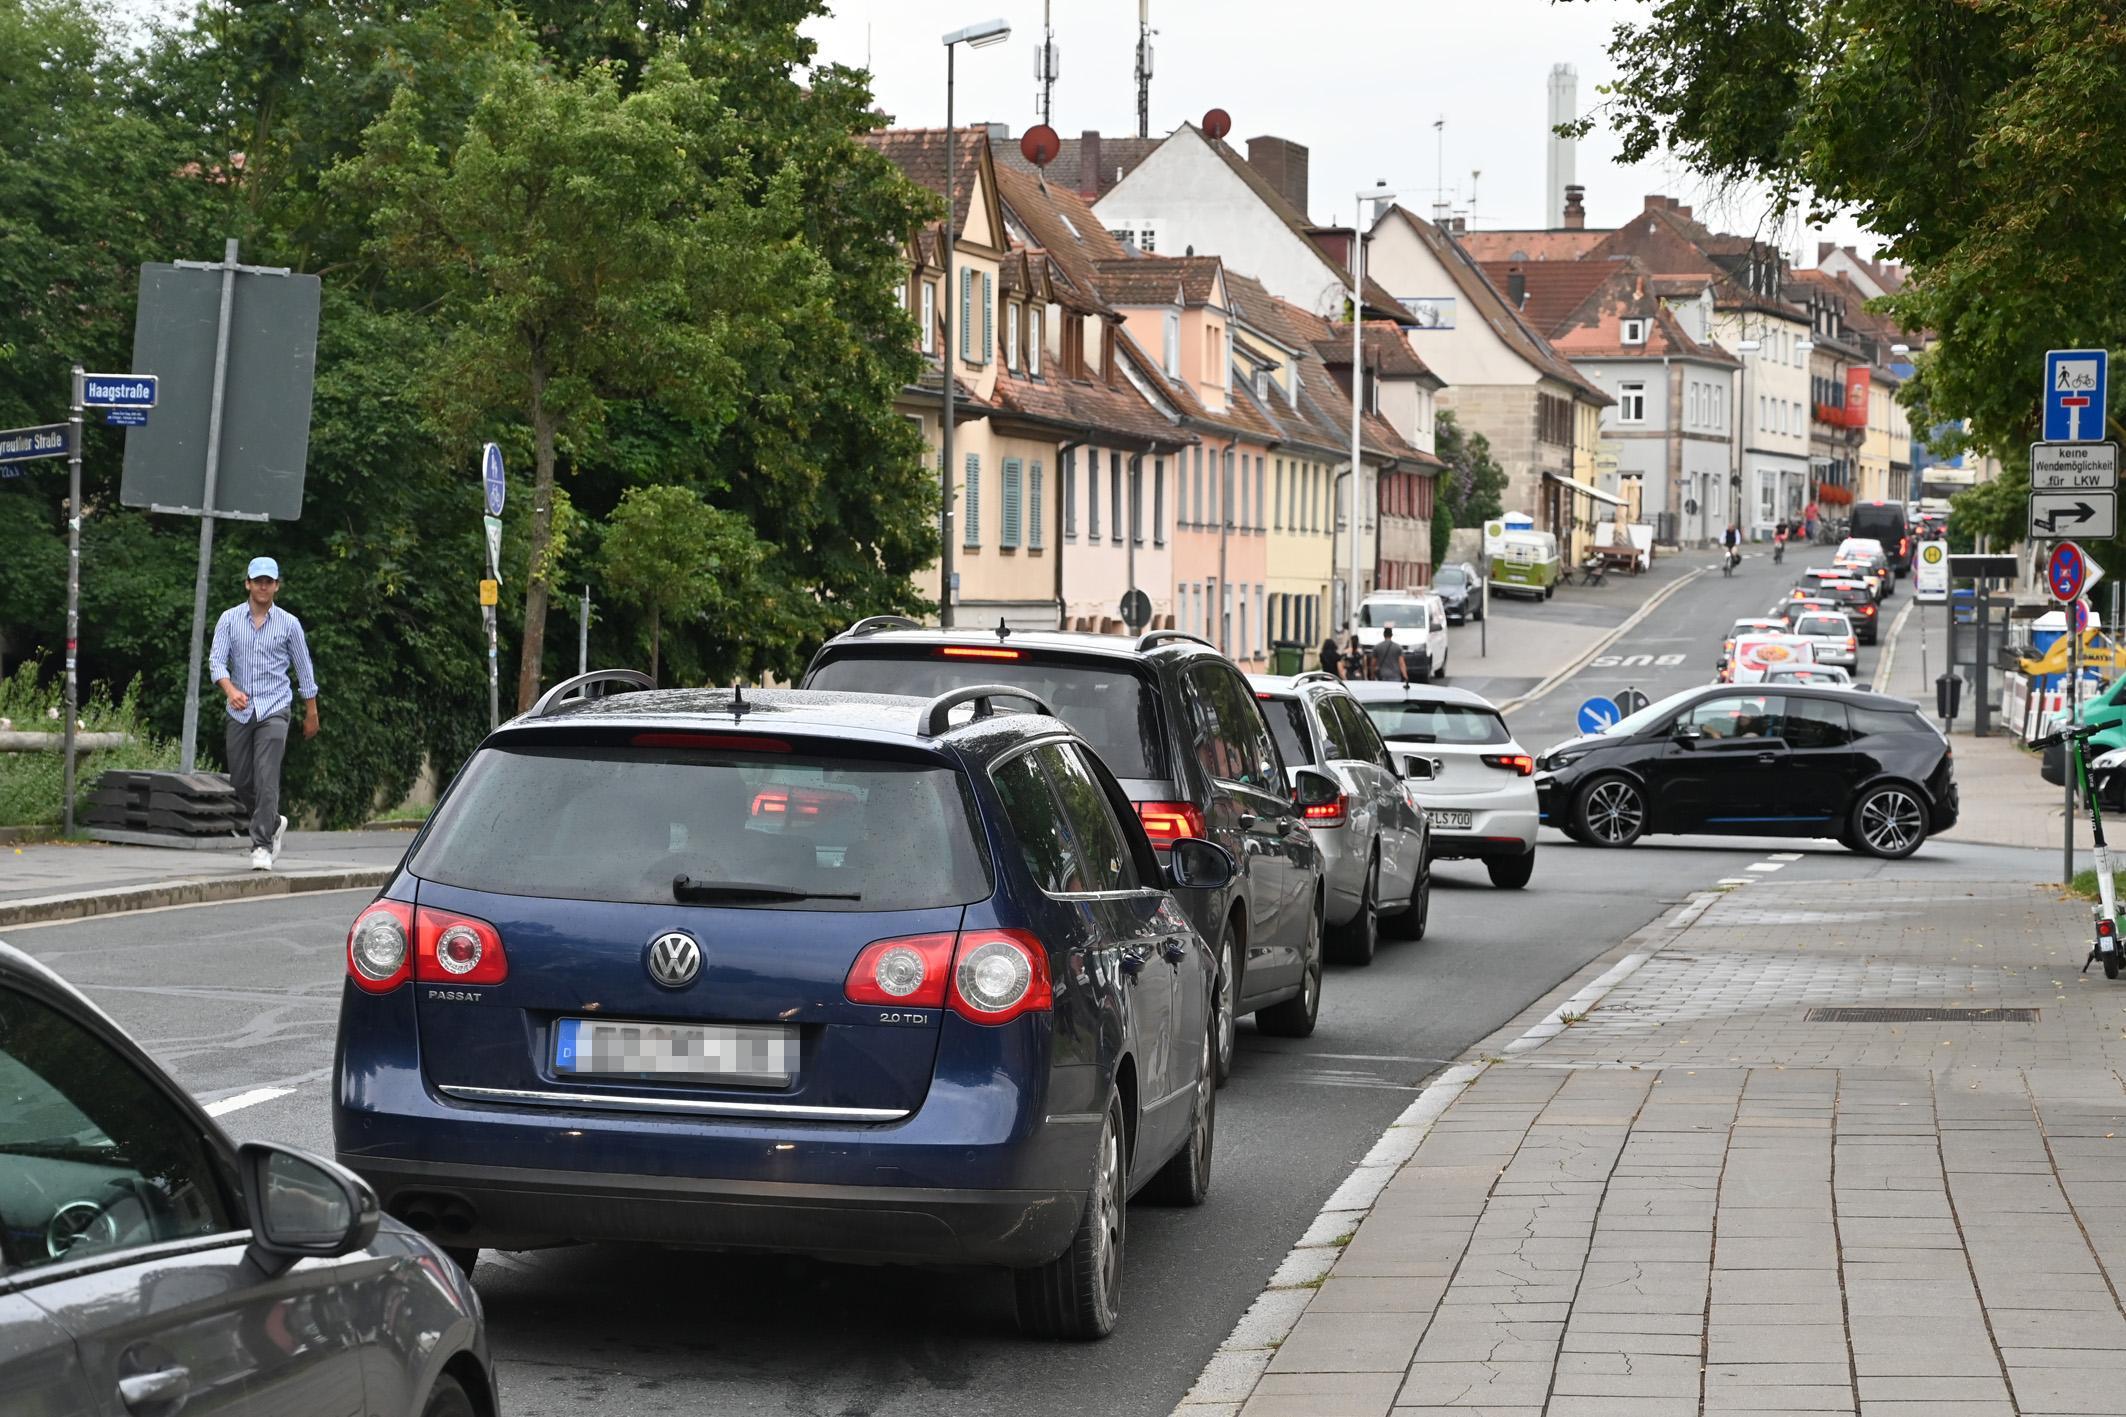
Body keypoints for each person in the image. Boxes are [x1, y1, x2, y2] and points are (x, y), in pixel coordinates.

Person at [209, 557, 319, 871]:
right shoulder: (229, 619)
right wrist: (230, 690)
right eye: (257, 580)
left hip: (275, 708)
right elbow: (217, 662)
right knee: (242, 778)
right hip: (240, 709)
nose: (263, 586)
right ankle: (271, 821)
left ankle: (261, 845)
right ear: (248, 583)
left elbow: (303, 668)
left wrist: (311, 712)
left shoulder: (289, 623)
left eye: (268, 581)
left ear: (276, 586)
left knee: (266, 776)